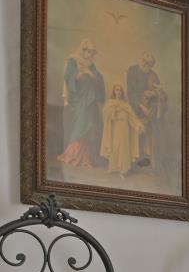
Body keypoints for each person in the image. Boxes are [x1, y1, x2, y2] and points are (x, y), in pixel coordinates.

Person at [57, 39, 105, 167]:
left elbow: (98, 77)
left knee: (89, 128)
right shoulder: (73, 60)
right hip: (79, 100)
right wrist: (78, 75)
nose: (90, 54)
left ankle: (86, 158)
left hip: (90, 100)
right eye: (89, 51)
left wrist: (90, 73)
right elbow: (68, 76)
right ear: (83, 50)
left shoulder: (91, 65)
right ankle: (72, 155)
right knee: (80, 127)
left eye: (92, 52)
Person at [99, 85, 143, 177]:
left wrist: (138, 124)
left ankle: (124, 169)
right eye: (116, 90)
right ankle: (113, 167)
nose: (118, 92)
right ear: (114, 91)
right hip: (115, 127)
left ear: (122, 92)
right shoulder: (110, 103)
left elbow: (132, 117)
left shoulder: (126, 104)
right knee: (115, 146)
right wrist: (114, 111)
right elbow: (105, 114)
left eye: (120, 90)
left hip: (124, 127)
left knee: (124, 147)